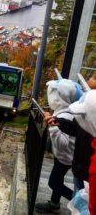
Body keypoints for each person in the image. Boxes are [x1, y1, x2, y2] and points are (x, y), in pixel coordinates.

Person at [36, 79, 83, 213]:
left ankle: (78, 203)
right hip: (63, 155)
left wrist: (53, 128)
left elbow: (62, 144)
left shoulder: (66, 115)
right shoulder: (62, 111)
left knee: (54, 183)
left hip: (65, 157)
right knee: (58, 179)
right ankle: (55, 203)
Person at [67, 90, 96, 215]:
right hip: (79, 170)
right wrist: (61, 123)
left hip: (84, 174)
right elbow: (75, 128)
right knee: (77, 196)